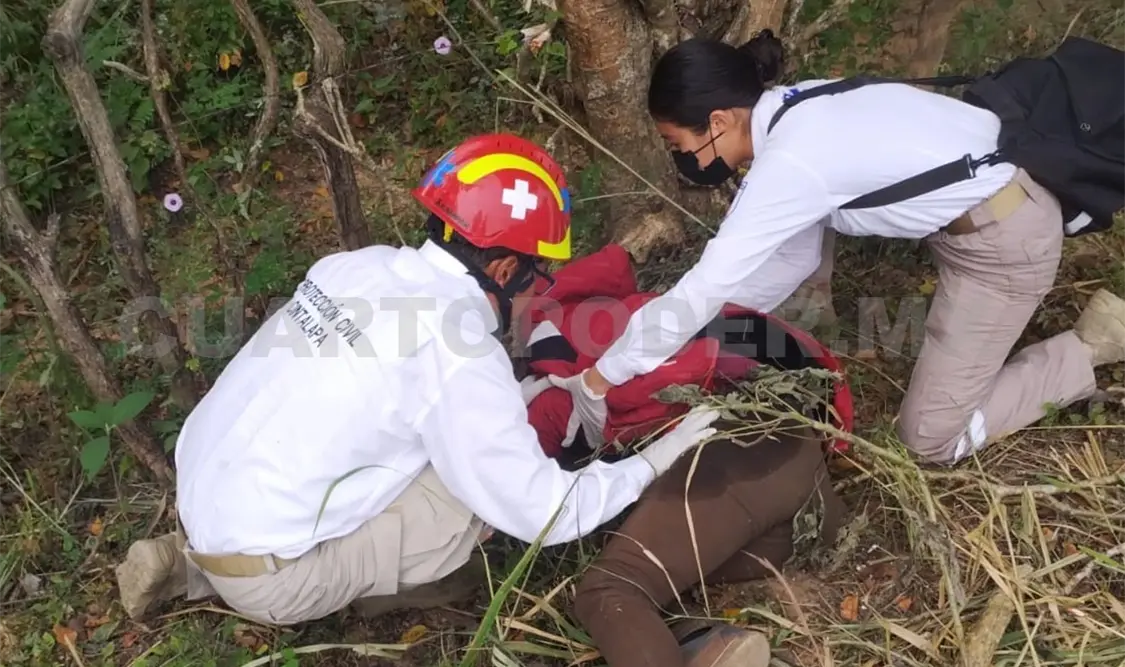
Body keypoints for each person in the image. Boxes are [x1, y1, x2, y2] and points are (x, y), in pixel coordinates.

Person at [113, 133, 719, 625]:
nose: (542, 291)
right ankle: (377, 592)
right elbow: (544, 513)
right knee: (470, 503)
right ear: (505, 267)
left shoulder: (353, 266)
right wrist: (652, 463)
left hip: (205, 493)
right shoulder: (454, 352)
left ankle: (190, 562)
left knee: (415, 446)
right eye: (540, 275)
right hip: (276, 577)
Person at [548, 30, 1125, 467]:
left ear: (719, 121)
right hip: (980, 218)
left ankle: (1088, 348)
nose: (684, 160)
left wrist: (602, 379)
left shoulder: (793, 162)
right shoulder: (800, 104)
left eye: (679, 143)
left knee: (930, 439)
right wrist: (695, 327)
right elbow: (793, 258)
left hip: (1005, 248)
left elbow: (711, 281)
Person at [515, 245, 850, 667]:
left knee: (611, 590)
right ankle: (705, 648)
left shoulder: (540, 394)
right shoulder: (600, 316)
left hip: (736, 452)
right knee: (652, 565)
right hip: (800, 488)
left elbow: (527, 501)